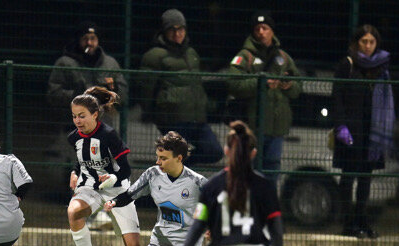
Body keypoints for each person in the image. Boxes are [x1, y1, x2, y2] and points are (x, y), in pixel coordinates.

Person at [67, 86, 145, 246]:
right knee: (73, 212)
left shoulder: (109, 135)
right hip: (90, 188)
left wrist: (111, 179)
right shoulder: (74, 138)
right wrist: (74, 171)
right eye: (74, 116)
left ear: (94, 115)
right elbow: (81, 161)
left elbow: (126, 170)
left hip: (118, 189)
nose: (77, 120)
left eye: (82, 115)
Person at [47, 21, 127, 225]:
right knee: (84, 168)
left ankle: (96, 212)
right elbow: (53, 94)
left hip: (104, 126)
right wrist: (78, 97)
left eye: (93, 38)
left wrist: (108, 96)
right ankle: (87, 213)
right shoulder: (65, 62)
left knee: (102, 170)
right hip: (75, 127)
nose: (90, 42)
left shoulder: (109, 63)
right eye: (86, 38)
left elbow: (123, 93)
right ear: (79, 40)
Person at [331, 24, 395, 239]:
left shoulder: (381, 69)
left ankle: (362, 221)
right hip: (351, 132)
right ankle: (348, 223)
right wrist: (340, 125)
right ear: (356, 43)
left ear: (377, 44)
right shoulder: (347, 65)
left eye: (371, 42)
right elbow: (337, 97)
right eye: (364, 41)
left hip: (372, 133)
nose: (367, 46)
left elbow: (387, 101)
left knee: (366, 180)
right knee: (348, 178)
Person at [227, 10, 302, 186]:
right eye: (258, 28)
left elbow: (298, 87)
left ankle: (267, 208)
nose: (261, 32)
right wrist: (261, 84)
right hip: (252, 128)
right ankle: (249, 209)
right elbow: (234, 84)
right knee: (250, 171)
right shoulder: (245, 57)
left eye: (265, 28)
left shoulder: (283, 57)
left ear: (272, 31)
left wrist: (289, 85)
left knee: (272, 170)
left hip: (277, 129)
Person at [139, 8, 223, 166]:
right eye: (172, 30)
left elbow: (196, 83)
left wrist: (205, 103)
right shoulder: (155, 55)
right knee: (177, 158)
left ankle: (182, 165)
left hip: (197, 118)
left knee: (214, 151)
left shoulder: (191, 53)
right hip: (173, 118)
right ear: (164, 31)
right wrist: (151, 112)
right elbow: (146, 88)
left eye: (181, 29)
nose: (177, 34)